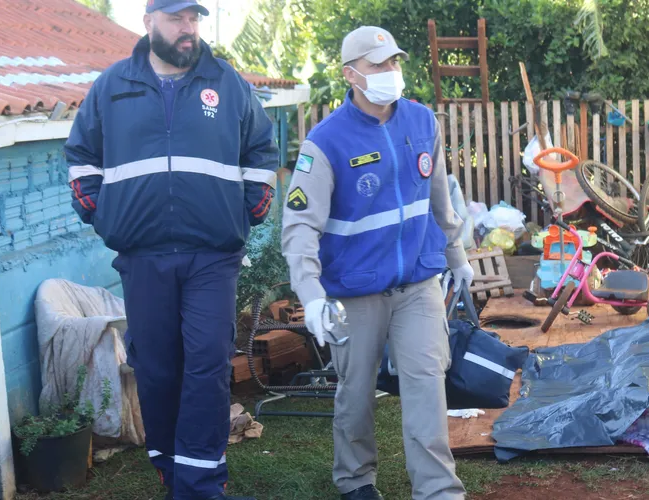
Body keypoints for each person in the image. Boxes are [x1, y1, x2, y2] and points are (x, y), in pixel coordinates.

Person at [64, 1, 277, 499]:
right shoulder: (113, 87)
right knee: (156, 368)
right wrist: (102, 214)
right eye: (177, 18)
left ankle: (201, 486)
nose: (188, 29)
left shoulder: (226, 83)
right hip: (143, 256)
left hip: (213, 253)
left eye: (194, 19)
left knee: (206, 361)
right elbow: (80, 157)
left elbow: (262, 151)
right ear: (149, 23)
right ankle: (170, 468)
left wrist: (252, 206)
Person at [281, 26, 474, 500]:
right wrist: (311, 295)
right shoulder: (324, 143)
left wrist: (458, 258)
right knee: (356, 392)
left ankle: (438, 490)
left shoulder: (423, 122)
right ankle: (356, 481)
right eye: (378, 65)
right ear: (351, 75)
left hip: (418, 284)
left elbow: (439, 201)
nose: (391, 72)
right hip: (354, 290)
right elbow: (300, 227)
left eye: (394, 63)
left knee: (427, 384)